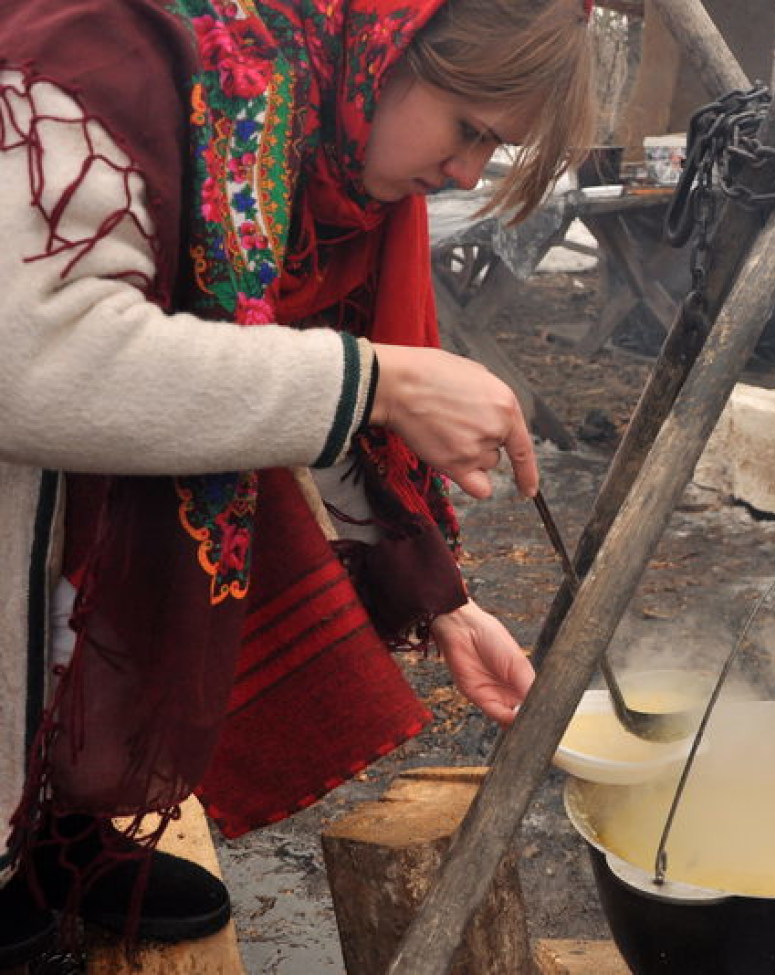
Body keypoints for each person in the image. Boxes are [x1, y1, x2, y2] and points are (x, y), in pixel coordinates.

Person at [0, 0, 594, 964]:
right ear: (395, 44)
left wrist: (445, 605)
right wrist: (380, 380)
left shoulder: (288, 130)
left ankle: (49, 829)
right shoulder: (123, 52)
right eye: (470, 130)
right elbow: (30, 363)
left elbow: (260, 370)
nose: (462, 174)